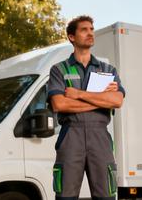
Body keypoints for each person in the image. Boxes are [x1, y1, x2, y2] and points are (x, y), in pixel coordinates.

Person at [48, 15, 126, 200]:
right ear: (71, 37)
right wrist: (100, 100)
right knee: (65, 195)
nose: (90, 33)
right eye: (84, 29)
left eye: (91, 29)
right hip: (70, 136)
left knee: (106, 195)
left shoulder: (108, 70)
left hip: (100, 137)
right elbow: (59, 104)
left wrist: (79, 94)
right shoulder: (59, 70)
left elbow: (117, 101)